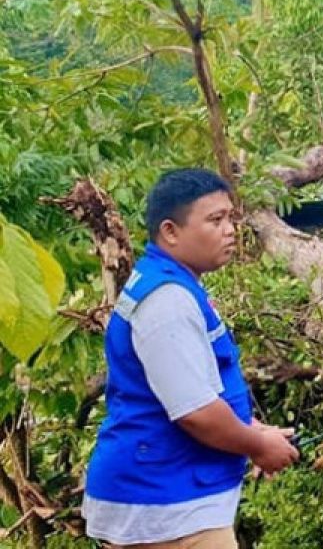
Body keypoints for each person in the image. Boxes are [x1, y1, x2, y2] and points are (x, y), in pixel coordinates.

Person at [83, 169, 298, 548]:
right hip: (165, 510)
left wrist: (253, 428)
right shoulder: (167, 302)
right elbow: (195, 411)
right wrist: (257, 446)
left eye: (231, 217)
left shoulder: (173, 286)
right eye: (215, 220)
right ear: (170, 232)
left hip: (171, 500)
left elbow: (192, 389)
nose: (230, 229)